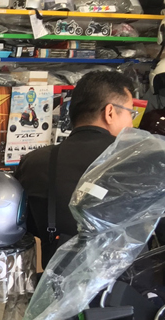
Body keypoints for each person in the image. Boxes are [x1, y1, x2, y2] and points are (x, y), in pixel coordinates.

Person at [14, 70, 136, 265]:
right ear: (110, 112)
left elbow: (20, 227)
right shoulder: (139, 161)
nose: (132, 123)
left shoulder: (34, 162)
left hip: (54, 276)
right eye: (131, 113)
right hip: (126, 279)